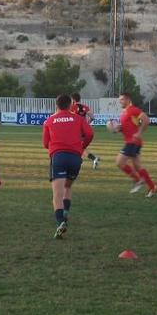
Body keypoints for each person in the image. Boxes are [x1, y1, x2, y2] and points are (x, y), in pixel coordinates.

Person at [43, 94, 94, 239]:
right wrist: (81, 146)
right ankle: (65, 213)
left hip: (59, 157)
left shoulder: (50, 120)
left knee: (57, 194)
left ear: (56, 105)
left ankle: (60, 222)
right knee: (68, 186)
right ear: (70, 105)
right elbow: (89, 133)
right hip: (75, 158)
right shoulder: (78, 118)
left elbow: (45, 143)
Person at [115, 92, 157, 197]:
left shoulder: (132, 109)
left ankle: (138, 180)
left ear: (128, 100)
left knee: (119, 162)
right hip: (132, 142)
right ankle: (152, 187)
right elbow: (129, 127)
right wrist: (118, 129)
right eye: (120, 100)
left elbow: (146, 120)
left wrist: (139, 133)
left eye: (122, 99)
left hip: (132, 142)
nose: (120, 101)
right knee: (138, 166)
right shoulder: (124, 112)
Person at [70, 92, 101, 169]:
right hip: (83, 130)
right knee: (80, 147)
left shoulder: (72, 107)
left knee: (74, 145)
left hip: (75, 130)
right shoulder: (85, 107)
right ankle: (93, 159)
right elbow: (92, 117)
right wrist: (87, 124)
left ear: (73, 99)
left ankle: (79, 160)